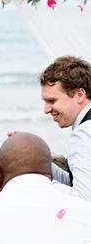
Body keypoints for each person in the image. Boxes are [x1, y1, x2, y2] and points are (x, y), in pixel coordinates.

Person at [40, 56, 91, 201]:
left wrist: (37, 185)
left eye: (52, 101)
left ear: (80, 95)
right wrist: (35, 155)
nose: (46, 109)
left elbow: (83, 199)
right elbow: (76, 182)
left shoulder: (84, 132)